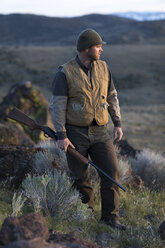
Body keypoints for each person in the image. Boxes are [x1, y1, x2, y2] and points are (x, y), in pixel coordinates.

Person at [50, 29, 126, 230]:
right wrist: (61, 135)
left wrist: (117, 122)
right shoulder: (64, 72)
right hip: (75, 133)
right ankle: (87, 219)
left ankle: (111, 220)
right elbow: (57, 105)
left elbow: (112, 96)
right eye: (98, 46)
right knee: (80, 178)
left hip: (101, 132)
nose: (101, 49)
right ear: (86, 48)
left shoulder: (103, 67)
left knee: (112, 172)